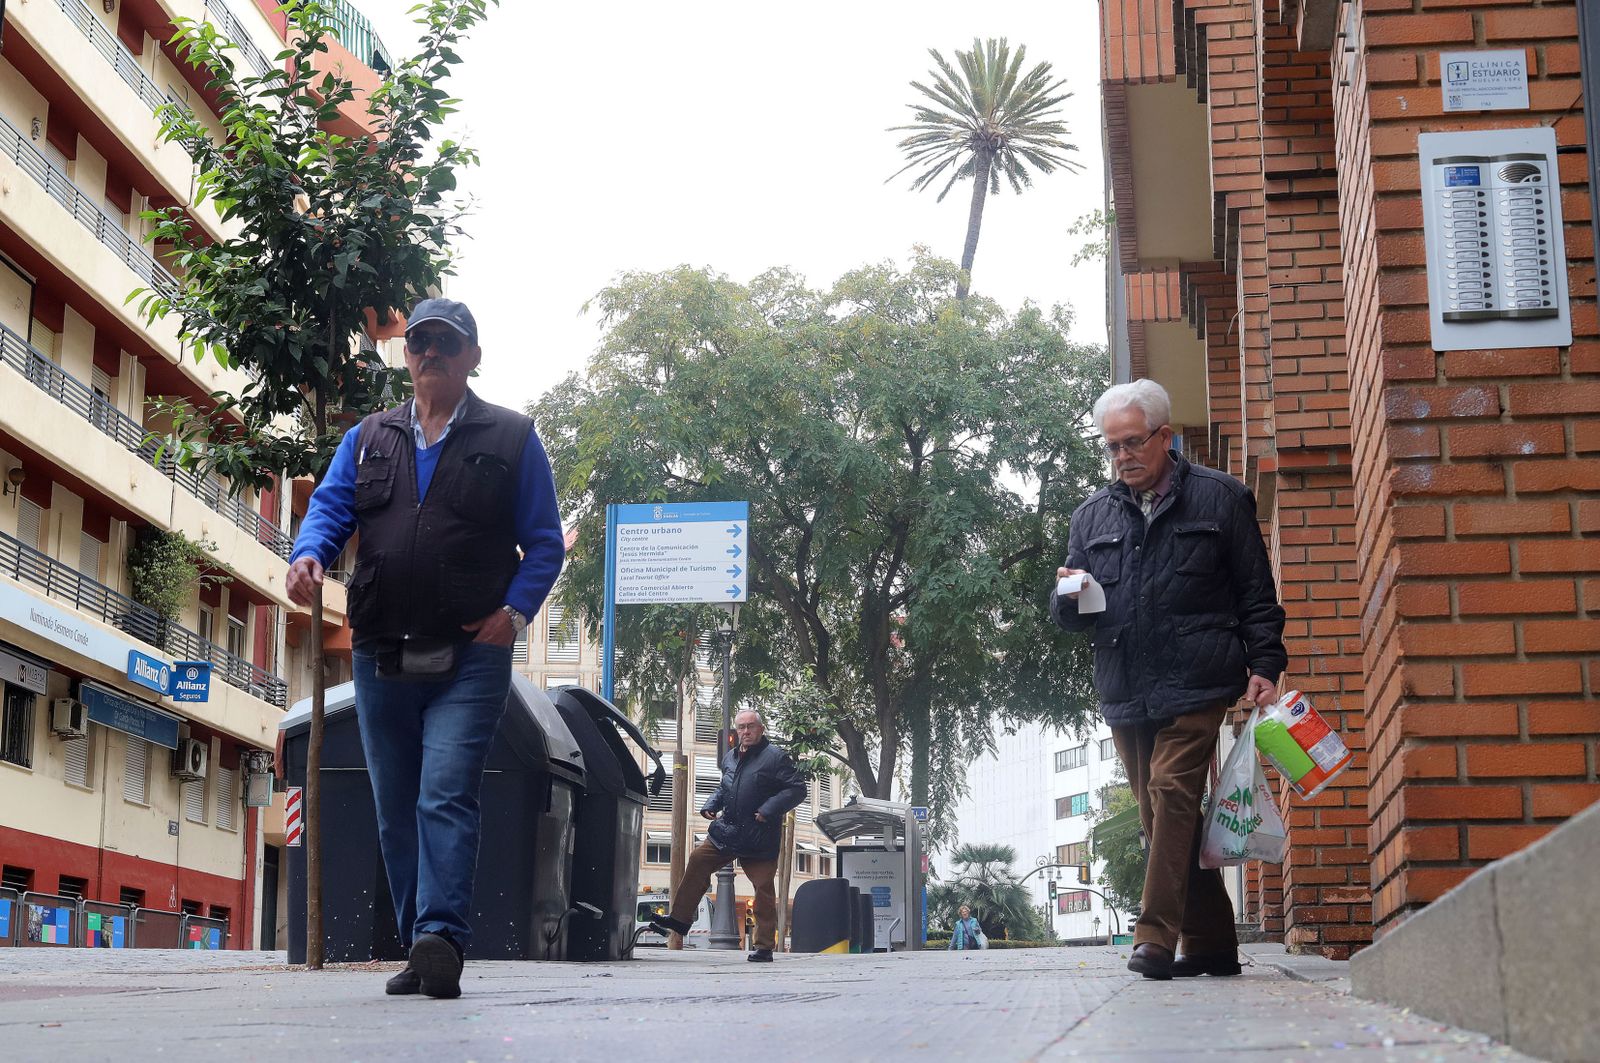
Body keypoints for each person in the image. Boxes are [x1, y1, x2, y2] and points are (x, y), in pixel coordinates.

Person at [287, 297, 565, 999]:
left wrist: (515, 610)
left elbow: (544, 543)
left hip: (470, 654)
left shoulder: (511, 437)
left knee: (444, 794)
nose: (430, 352)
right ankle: (424, 945)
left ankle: (441, 934)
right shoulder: (368, 437)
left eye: (446, 342)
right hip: (381, 650)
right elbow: (329, 508)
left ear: (473, 356)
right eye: (419, 343)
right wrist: (309, 555)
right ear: (406, 356)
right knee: (395, 804)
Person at [1049, 379, 1285, 981]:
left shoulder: (1221, 498)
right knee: (1163, 817)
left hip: (1200, 676)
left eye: (1132, 442)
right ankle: (1212, 943)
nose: (1122, 455)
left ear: (1163, 436)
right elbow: (1070, 617)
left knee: (1172, 792)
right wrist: (1067, 597)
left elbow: (1257, 592)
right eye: (1111, 447)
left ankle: (1155, 936)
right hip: (1127, 683)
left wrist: (1264, 664)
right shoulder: (1091, 516)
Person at [646, 709, 808, 963]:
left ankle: (764, 947)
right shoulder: (730, 757)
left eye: (750, 726)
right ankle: (679, 920)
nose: (745, 731)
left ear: (760, 729)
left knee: (763, 889)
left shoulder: (776, 758)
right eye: (741, 727)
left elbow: (798, 789)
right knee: (698, 859)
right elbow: (725, 786)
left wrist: (768, 809)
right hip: (728, 832)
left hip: (759, 837)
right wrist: (711, 803)